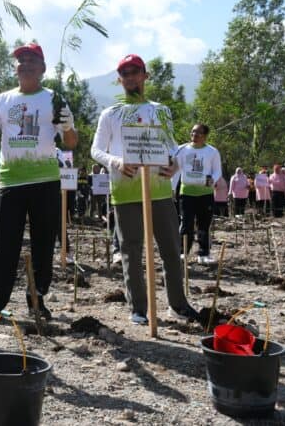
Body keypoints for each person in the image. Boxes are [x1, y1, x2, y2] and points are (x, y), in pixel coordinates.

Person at [91, 53, 198, 326]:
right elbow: (96, 150)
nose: (130, 76)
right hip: (125, 192)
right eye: (125, 73)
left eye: (135, 71)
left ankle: (178, 305)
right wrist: (115, 162)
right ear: (119, 79)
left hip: (160, 191)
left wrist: (175, 164)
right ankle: (138, 308)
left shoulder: (161, 110)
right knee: (131, 250)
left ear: (145, 75)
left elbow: (172, 145)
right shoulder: (110, 113)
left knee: (172, 251)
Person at [0, 43, 77, 323]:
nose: (26, 64)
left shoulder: (54, 99)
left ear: (43, 68)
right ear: (15, 68)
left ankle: (38, 298)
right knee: (3, 245)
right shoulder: (2, 100)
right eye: (21, 60)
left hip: (45, 182)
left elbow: (71, 144)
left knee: (44, 244)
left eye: (32, 60)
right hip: (10, 182)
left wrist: (68, 127)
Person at [173, 123, 222, 264]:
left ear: (205, 136)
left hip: (205, 194)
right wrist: (172, 187)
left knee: (204, 224)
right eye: (193, 132)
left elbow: (217, 170)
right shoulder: (182, 150)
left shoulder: (212, 152)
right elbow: (176, 169)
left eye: (198, 133)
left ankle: (203, 254)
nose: (194, 135)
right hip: (186, 193)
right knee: (186, 223)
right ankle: (182, 253)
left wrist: (213, 179)